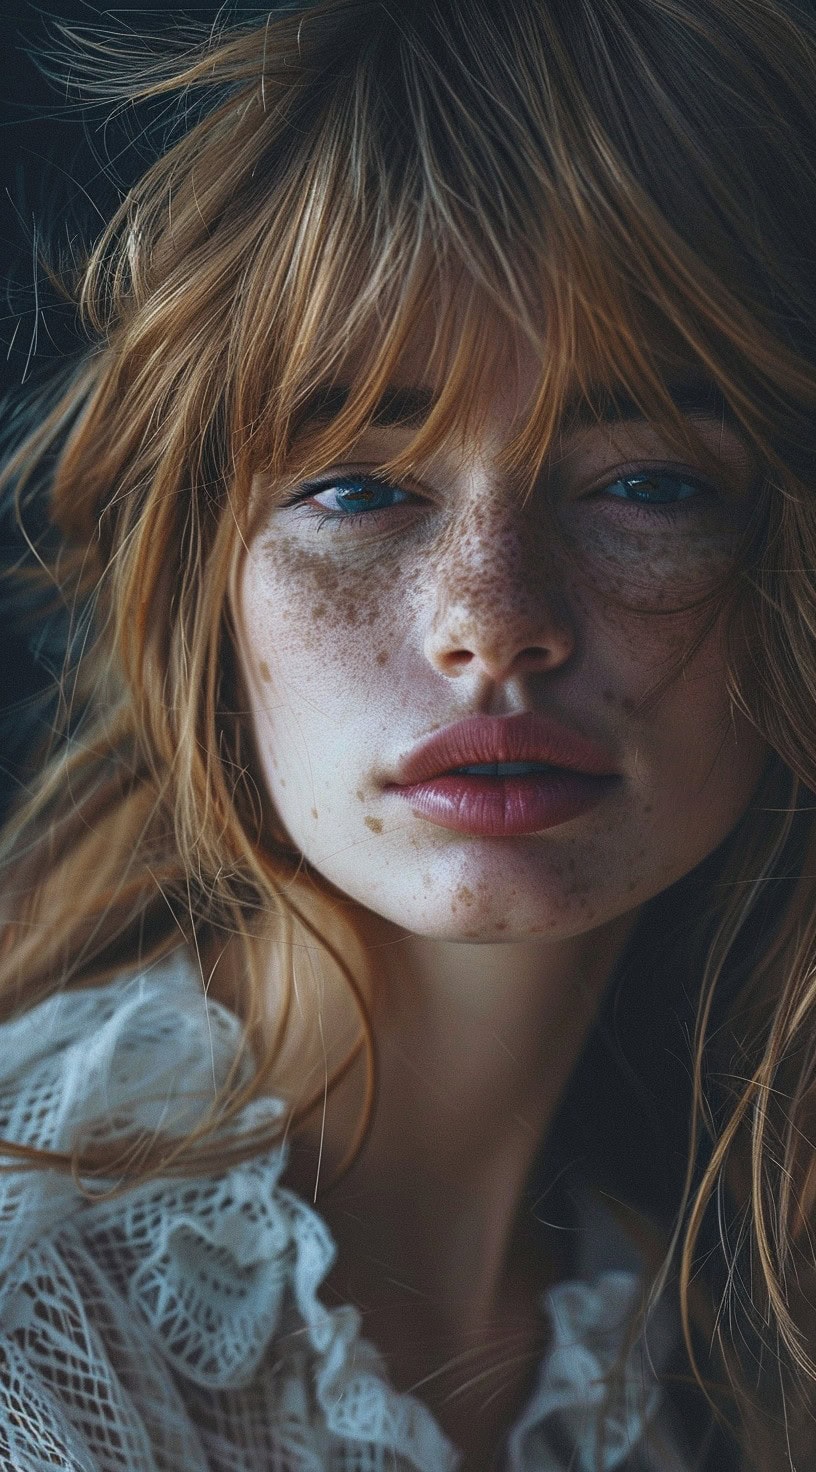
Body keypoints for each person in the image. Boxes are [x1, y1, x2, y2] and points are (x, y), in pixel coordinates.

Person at [1, 0, 816, 1466]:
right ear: (205, 583)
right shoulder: (32, 1320)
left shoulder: (706, 1372)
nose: (492, 622)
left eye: (649, 486)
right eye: (357, 489)